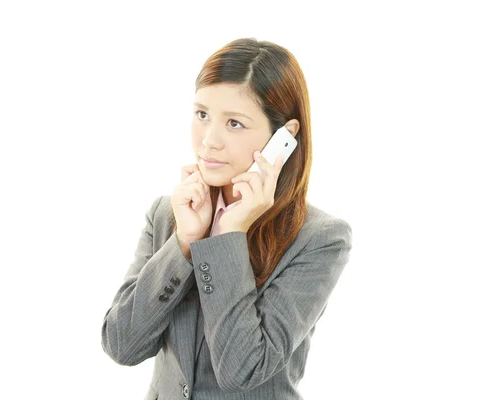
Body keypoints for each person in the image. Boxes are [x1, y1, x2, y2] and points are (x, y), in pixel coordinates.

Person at [101, 37, 353, 400]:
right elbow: (121, 345)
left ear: (285, 135)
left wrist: (228, 238)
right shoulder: (168, 213)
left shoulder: (319, 238)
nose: (208, 142)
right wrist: (184, 245)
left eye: (234, 123)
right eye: (202, 115)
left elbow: (243, 370)